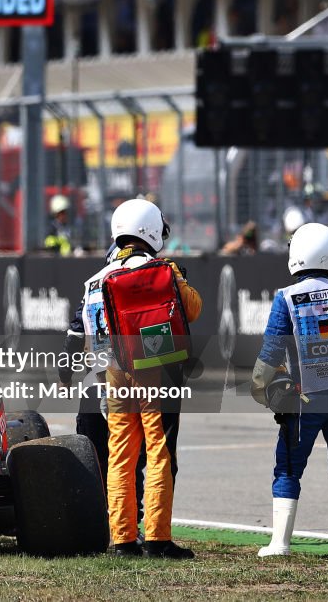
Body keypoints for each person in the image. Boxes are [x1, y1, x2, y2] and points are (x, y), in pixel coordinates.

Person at [79, 198, 201, 558]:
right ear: (151, 230)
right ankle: (158, 539)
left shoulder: (95, 281)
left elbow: (91, 340)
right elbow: (192, 310)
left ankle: (122, 540)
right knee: (159, 454)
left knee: (120, 456)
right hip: (158, 370)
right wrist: (178, 277)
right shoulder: (162, 270)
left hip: (115, 374)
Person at [251, 223, 328, 558]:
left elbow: (271, 351)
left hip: (303, 399)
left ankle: (280, 543)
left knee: (288, 468)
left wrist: (259, 390)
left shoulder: (287, 297)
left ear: (296, 254)